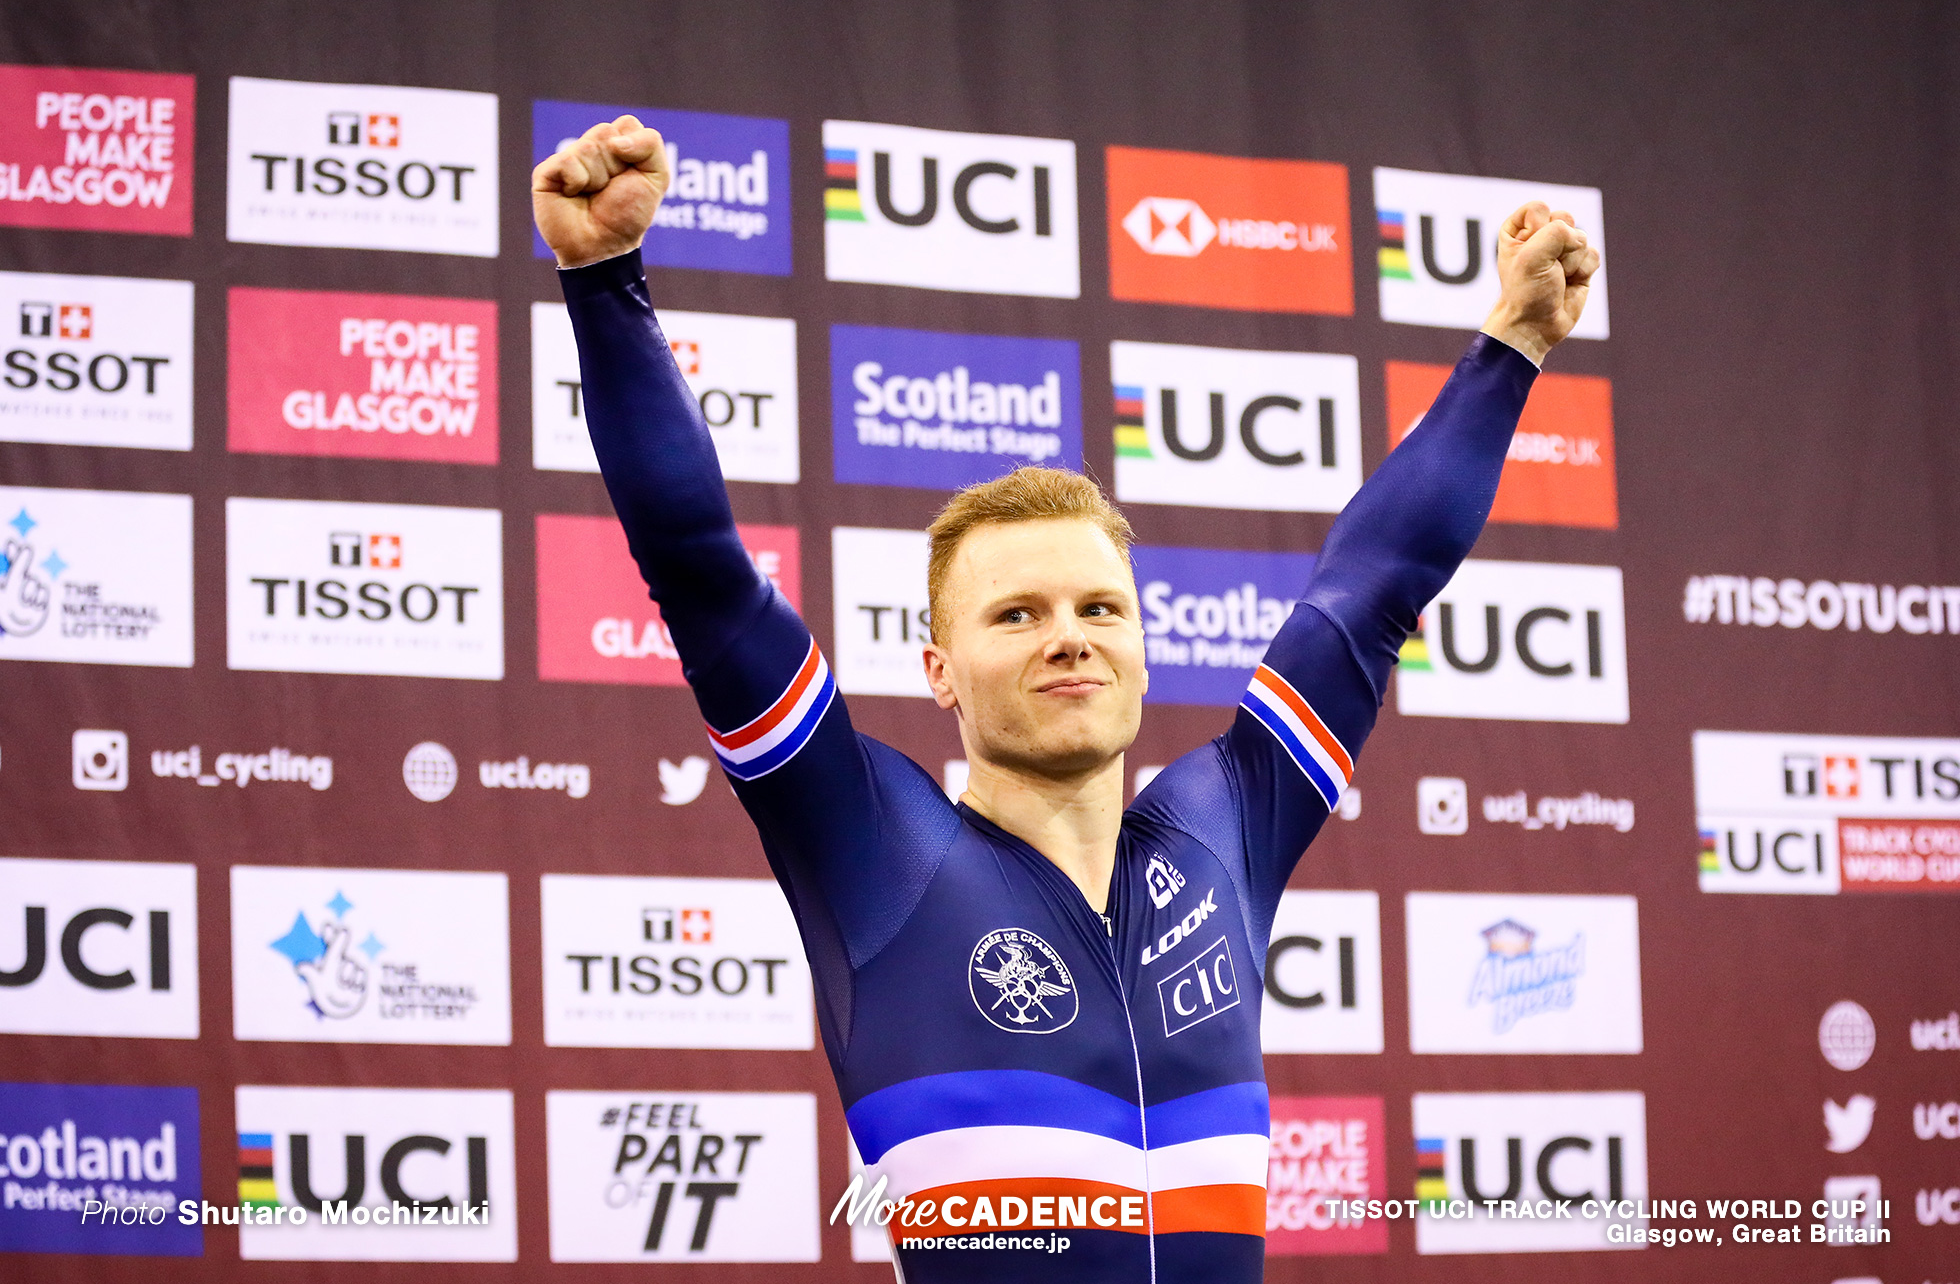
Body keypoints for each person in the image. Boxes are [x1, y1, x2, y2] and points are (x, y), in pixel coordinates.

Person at [533, 116, 1598, 1282]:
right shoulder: (871, 848)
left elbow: (1373, 586)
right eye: (1015, 614)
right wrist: (602, 279)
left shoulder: (1226, 827)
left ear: (1145, 650)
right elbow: (701, 573)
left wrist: (1515, 342)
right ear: (935, 668)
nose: (1068, 641)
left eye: (1099, 609)